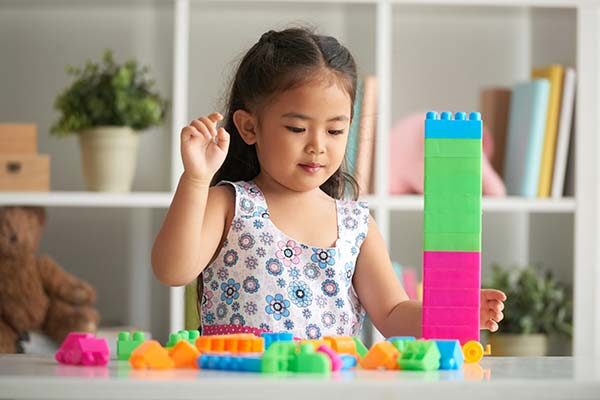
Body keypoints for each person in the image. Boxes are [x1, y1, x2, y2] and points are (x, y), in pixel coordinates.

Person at [151, 27, 506, 339]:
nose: (317, 145)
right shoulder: (229, 203)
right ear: (249, 127)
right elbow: (172, 270)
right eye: (297, 128)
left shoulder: (355, 225)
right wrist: (196, 178)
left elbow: (394, 312)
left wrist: (455, 313)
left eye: (335, 130)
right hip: (241, 385)